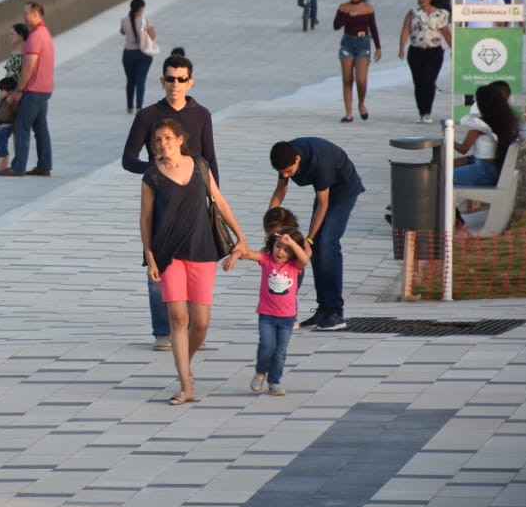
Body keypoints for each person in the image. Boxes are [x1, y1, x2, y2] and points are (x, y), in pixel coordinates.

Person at [141, 120, 247, 405]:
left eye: (167, 138)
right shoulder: (152, 176)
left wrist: (241, 237)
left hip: (202, 250)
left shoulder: (199, 165)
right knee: (178, 319)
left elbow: (219, 201)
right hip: (168, 255)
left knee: (200, 324)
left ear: (179, 139)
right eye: (157, 140)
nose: (162, 143)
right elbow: (146, 220)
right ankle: (186, 384)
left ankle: (183, 364)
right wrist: (150, 257)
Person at [121, 48, 218, 351]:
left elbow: (209, 158)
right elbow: (128, 159)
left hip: (194, 200)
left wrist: (212, 199)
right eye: (170, 79)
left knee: (193, 262)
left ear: (191, 82)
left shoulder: (201, 115)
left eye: (181, 79)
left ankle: (188, 329)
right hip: (161, 199)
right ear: (162, 80)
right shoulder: (148, 116)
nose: (175, 84)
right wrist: (155, 170)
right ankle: (163, 332)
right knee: (157, 265)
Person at [268, 137, 364, 331]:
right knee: (316, 248)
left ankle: (335, 311)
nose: (286, 175)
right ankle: (323, 308)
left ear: (297, 160)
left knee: (326, 244)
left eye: (288, 171)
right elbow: (281, 189)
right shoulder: (285, 154)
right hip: (325, 194)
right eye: (281, 172)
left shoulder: (320, 162)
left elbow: (324, 204)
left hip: (343, 189)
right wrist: (270, 224)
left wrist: (309, 240)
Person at [231, 225, 309, 396]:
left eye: (287, 250)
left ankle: (274, 381)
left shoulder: (295, 266)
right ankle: (260, 373)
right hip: (266, 315)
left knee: (280, 352)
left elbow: (304, 259)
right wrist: (236, 255)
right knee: (267, 346)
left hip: (287, 318)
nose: (281, 252)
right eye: (278, 246)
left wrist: (293, 243)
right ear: (271, 245)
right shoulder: (267, 260)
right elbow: (249, 254)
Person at [0, 1, 54, 177]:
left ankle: (18, 166)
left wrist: (19, 90)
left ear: (36, 14)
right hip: (45, 88)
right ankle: (44, 165)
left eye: (26, 13)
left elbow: (29, 66)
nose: (24, 16)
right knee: (41, 128)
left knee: (22, 126)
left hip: (34, 89)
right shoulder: (45, 34)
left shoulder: (35, 37)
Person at [399, 0, 452, 123]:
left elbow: (446, 32)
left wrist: (453, 48)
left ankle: (428, 111)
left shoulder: (440, 14)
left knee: (428, 80)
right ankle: (422, 111)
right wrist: (401, 48)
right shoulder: (413, 13)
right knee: (418, 82)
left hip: (433, 51)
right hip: (416, 51)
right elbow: (406, 30)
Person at [454, 83, 519, 187]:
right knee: (451, 167)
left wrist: (448, 139)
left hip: (483, 171)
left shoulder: (480, 125)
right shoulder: (505, 121)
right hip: (495, 170)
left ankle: (449, 202)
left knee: (443, 176)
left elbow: (463, 149)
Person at [333, 0, 381, 123]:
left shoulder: (367, 8)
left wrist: (378, 47)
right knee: (347, 79)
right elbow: (336, 26)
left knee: (361, 79)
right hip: (347, 43)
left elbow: (373, 28)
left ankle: (361, 103)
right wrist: (347, 15)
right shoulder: (343, 7)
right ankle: (348, 113)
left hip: (363, 43)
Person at [119, 0, 157, 113]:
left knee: (130, 81)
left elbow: (122, 31)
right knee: (140, 80)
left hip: (128, 53)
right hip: (143, 53)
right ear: (141, 8)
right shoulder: (146, 21)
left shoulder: (124, 20)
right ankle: (139, 106)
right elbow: (152, 36)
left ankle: (129, 106)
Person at [0, 76, 19, 176]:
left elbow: (15, 112)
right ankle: (3, 166)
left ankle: (0, 167)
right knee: (1, 147)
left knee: (1, 147)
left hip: (5, 126)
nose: (0, 93)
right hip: (0, 126)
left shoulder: (10, 101)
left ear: (9, 91)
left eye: (2, 90)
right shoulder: (3, 101)